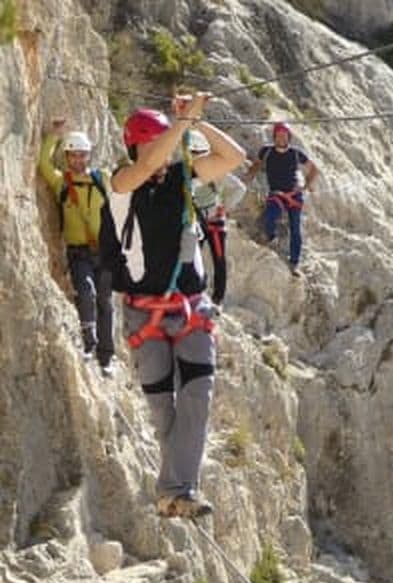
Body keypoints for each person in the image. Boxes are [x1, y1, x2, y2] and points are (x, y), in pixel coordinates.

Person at [100, 93, 245, 518]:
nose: (160, 154)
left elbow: (232, 156)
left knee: (198, 395)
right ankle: (174, 494)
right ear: (136, 148)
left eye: (162, 144)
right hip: (144, 313)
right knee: (164, 409)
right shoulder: (121, 185)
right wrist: (180, 125)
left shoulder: (184, 178)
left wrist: (195, 123)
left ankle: (176, 489)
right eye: (153, 144)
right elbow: (144, 168)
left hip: (189, 308)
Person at [39, 119, 115, 376]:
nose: (77, 160)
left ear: (88, 155)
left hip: (104, 252)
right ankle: (88, 342)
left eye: (81, 155)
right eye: (72, 156)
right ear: (67, 157)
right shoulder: (62, 183)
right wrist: (54, 136)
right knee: (86, 292)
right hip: (78, 251)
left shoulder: (102, 178)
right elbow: (44, 164)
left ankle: (106, 358)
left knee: (105, 302)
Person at [244, 122, 318, 277]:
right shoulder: (267, 151)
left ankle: (294, 263)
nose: (281, 138)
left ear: (289, 137)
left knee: (295, 228)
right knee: (270, 217)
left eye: (284, 136)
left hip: (293, 194)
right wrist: (249, 175)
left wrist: (307, 184)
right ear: (274, 137)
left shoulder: (296, 153)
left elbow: (314, 168)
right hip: (276, 194)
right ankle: (271, 237)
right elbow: (257, 164)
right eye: (278, 136)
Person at [187, 129, 247, 306]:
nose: (196, 156)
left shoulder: (215, 172)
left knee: (219, 259)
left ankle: (217, 299)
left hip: (213, 219)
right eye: (193, 153)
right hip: (197, 219)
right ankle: (196, 293)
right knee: (193, 257)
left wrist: (225, 207)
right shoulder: (187, 171)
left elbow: (240, 188)